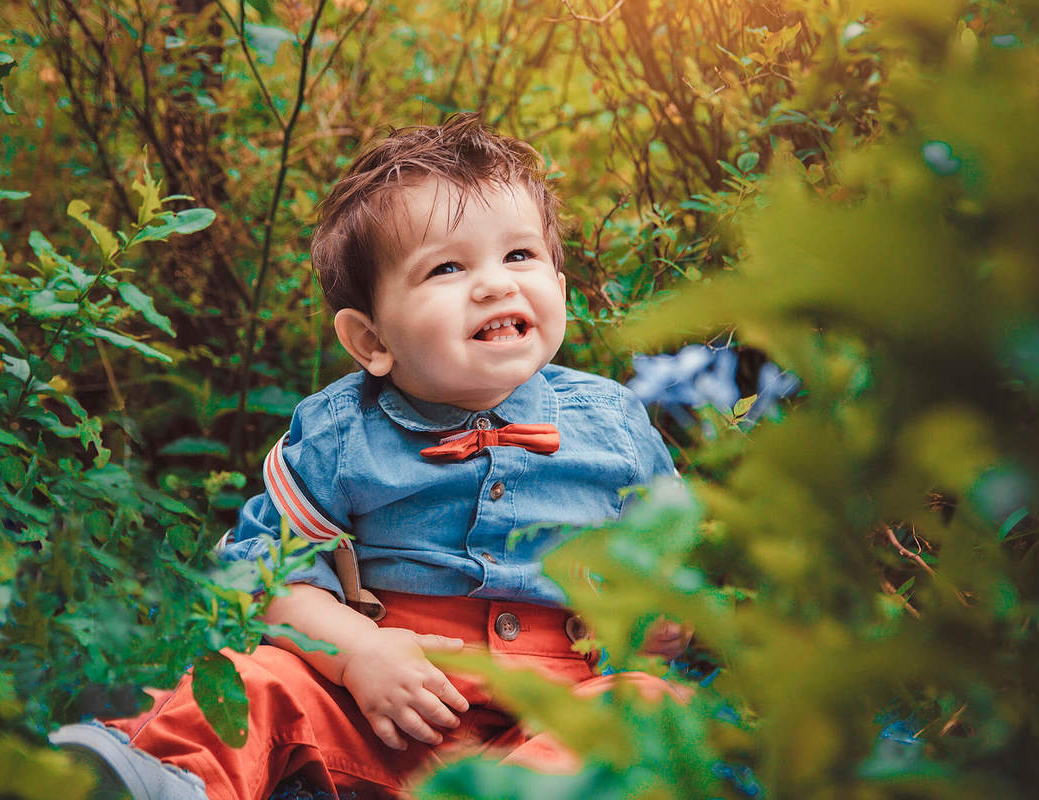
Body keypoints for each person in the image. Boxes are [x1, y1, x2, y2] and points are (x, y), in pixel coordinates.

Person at [50, 114, 688, 800]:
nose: (495, 285)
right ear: (370, 340)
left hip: (554, 717)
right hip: (379, 719)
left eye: (520, 256)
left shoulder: (612, 422)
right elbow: (260, 574)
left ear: (559, 291)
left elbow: (669, 543)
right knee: (260, 680)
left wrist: (664, 609)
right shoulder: (340, 434)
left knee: (648, 707)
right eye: (447, 267)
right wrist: (358, 653)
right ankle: (167, 777)